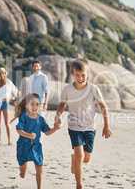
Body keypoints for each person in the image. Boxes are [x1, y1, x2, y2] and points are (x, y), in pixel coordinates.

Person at [56, 59, 112, 189]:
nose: (80, 78)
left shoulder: (93, 89)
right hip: (74, 126)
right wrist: (58, 117)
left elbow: (103, 106)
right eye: (77, 75)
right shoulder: (67, 89)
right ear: (72, 74)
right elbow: (62, 105)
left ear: (87, 74)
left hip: (89, 127)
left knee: (86, 158)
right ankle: (79, 184)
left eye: (83, 75)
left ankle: (74, 159)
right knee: (80, 155)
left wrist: (106, 125)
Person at [15, 93, 61, 189]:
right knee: (23, 172)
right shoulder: (23, 116)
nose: (35, 107)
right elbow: (19, 130)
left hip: (36, 147)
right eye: (32, 104)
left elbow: (47, 132)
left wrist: (55, 128)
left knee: (39, 169)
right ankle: (22, 171)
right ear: (27, 105)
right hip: (23, 146)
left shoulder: (40, 119)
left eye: (37, 104)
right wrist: (29, 135)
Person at [0, 67, 18, 145]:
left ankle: (9, 141)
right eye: (0, 73)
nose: (1, 74)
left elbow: (15, 92)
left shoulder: (9, 82)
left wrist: (11, 98)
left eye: (3, 72)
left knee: (7, 123)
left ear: (5, 74)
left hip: (5, 104)